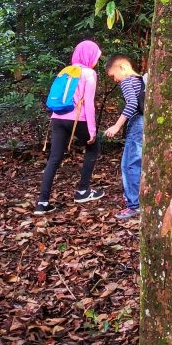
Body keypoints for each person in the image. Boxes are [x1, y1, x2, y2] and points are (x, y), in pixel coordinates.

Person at [36, 40, 104, 215]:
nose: (96, 60)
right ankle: (83, 191)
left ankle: (42, 202)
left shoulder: (66, 71)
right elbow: (88, 103)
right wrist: (93, 130)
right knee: (93, 147)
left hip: (57, 118)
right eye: (96, 56)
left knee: (54, 158)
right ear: (90, 56)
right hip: (77, 118)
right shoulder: (89, 73)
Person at [103, 55, 145, 222]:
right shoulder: (140, 79)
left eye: (113, 75)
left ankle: (134, 205)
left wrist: (117, 126)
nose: (115, 80)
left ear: (122, 67)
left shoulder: (128, 80)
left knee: (129, 164)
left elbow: (132, 104)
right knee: (139, 162)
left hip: (137, 123)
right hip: (145, 123)